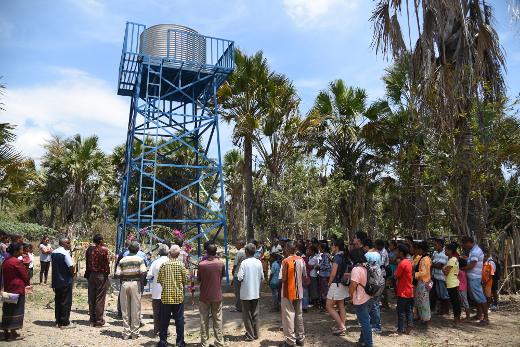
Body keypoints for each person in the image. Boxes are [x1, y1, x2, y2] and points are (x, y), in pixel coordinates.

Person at [157, 245, 187, 347]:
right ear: (179, 254)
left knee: (164, 320)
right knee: (179, 320)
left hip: (165, 297)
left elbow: (160, 281)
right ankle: (180, 342)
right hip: (178, 297)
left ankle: (163, 342)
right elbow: (184, 280)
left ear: (169, 253)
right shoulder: (181, 265)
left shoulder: (164, 265)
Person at [116, 241, 147, 340]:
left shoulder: (123, 260)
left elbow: (117, 274)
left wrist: (123, 278)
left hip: (125, 283)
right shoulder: (140, 259)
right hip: (135, 283)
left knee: (125, 309)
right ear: (138, 249)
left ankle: (126, 332)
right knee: (135, 308)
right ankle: (135, 333)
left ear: (129, 249)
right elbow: (143, 272)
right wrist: (138, 277)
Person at [197, 243, 225, 347]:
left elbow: (199, 280)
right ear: (216, 252)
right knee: (217, 319)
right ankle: (219, 341)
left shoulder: (201, 265)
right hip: (217, 295)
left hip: (204, 296)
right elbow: (221, 277)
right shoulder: (220, 264)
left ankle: (204, 343)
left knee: (203, 320)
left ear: (206, 252)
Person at [278, 241, 306, 347]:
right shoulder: (301, 260)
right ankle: (300, 338)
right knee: (299, 315)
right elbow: (304, 276)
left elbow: (282, 279)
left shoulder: (285, 261)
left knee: (289, 315)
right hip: (299, 291)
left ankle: (290, 341)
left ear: (288, 249)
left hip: (288, 292)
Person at [2, 242, 31, 341]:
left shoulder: (6, 261)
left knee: (7, 310)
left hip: (8, 288)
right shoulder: (17, 262)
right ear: (15, 251)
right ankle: (13, 334)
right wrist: (27, 283)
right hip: (17, 288)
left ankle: (5, 333)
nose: (22, 252)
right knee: (16, 310)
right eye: (21, 250)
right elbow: (24, 275)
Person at [460, 236, 489, 325]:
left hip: (474, 277)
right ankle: (479, 314)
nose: (466, 247)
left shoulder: (475, 251)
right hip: (473, 277)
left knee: (480, 297)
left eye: (466, 245)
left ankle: (486, 318)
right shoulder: (473, 251)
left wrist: (461, 268)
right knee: (476, 298)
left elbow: (472, 265)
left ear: (468, 242)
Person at [349, 247, 375, 347]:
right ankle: (362, 339)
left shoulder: (356, 269)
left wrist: (349, 293)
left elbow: (353, 285)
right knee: (365, 319)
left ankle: (369, 343)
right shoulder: (368, 266)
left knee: (364, 322)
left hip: (361, 298)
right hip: (370, 296)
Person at [237, 243, 264, 341]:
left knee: (247, 315)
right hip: (255, 292)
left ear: (246, 252)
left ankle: (249, 335)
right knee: (255, 314)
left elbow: (240, 277)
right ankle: (256, 334)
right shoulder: (258, 262)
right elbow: (262, 277)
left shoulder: (244, 263)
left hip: (246, 293)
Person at [86, 234, 111, 327]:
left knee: (92, 297)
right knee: (100, 298)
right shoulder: (104, 251)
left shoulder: (90, 251)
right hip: (100, 274)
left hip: (92, 274)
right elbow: (106, 264)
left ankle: (92, 320)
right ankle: (99, 320)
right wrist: (108, 273)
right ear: (100, 241)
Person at [146, 244, 170, 337]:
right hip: (168, 292)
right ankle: (166, 331)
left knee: (157, 313)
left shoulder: (155, 263)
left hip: (157, 292)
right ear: (168, 252)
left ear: (159, 253)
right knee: (166, 313)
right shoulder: (170, 262)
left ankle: (157, 331)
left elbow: (148, 276)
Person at [326, 239, 349, 336]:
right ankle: (342, 326)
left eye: (332, 245)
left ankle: (341, 326)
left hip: (336, 284)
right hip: (343, 284)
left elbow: (333, 273)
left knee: (329, 306)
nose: (331, 247)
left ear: (337, 247)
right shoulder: (344, 255)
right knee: (341, 306)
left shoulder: (336, 258)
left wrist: (329, 283)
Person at [51, 237, 75, 329]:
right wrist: (73, 274)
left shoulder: (54, 253)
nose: (69, 245)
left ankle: (58, 321)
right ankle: (65, 322)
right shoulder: (65, 253)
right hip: (65, 280)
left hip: (56, 280)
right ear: (62, 244)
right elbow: (70, 266)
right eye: (68, 243)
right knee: (66, 301)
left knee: (58, 300)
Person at [390, 243, 413, 337]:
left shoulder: (402, 263)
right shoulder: (408, 262)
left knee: (400, 310)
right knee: (408, 310)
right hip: (408, 290)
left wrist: (398, 276)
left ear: (401, 253)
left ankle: (400, 330)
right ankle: (409, 329)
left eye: (397, 251)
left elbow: (395, 276)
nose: (396, 253)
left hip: (403, 290)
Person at [361, 238, 382, 334]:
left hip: (370, 282)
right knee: (375, 304)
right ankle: (374, 324)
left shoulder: (366, 255)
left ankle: (376, 325)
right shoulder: (378, 254)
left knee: (372, 305)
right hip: (378, 281)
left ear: (366, 246)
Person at [413, 241, 432, 328]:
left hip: (422, 282)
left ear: (421, 249)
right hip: (421, 282)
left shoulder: (425, 259)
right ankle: (422, 318)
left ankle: (427, 321)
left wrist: (415, 274)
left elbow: (423, 272)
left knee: (423, 302)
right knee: (420, 301)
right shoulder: (425, 258)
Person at [443, 243, 461, 327]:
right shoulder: (455, 259)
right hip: (453, 282)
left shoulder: (451, 260)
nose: (445, 251)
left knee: (454, 302)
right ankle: (458, 320)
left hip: (451, 282)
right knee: (455, 302)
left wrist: (444, 270)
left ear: (450, 251)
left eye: (446, 250)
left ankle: (456, 321)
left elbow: (446, 271)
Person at [431, 238, 450, 316]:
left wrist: (431, 265)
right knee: (440, 295)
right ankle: (442, 309)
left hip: (442, 277)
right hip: (437, 276)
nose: (434, 246)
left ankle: (446, 311)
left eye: (436, 245)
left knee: (444, 295)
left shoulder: (443, 254)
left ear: (440, 245)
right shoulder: (436, 253)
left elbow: (439, 265)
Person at [231, 239, 246, 313]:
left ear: (240, 245)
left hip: (237, 274)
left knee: (237, 292)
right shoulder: (247, 252)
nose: (236, 246)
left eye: (237, 244)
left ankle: (239, 307)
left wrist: (233, 271)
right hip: (244, 274)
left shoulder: (240, 252)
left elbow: (235, 264)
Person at [375, 239, 390, 311]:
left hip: (383, 273)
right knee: (381, 289)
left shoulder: (383, 252)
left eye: (377, 245)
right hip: (381, 272)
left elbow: (381, 263)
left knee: (383, 289)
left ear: (380, 245)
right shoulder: (381, 251)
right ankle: (384, 304)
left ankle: (386, 306)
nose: (376, 247)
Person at [316, 242, 332, 310]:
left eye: (320, 248)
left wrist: (320, 267)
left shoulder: (325, 256)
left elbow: (327, 266)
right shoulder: (326, 255)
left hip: (325, 275)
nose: (319, 249)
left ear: (323, 249)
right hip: (324, 275)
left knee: (325, 290)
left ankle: (326, 305)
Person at [457, 258, 471, 322]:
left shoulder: (460, 271)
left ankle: (468, 317)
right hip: (463, 288)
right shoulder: (464, 271)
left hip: (461, 288)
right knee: (464, 302)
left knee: (465, 302)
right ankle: (467, 317)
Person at [297, 245, 311, 312]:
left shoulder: (302, 258)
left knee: (303, 292)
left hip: (303, 277)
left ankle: (304, 306)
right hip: (303, 277)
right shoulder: (303, 258)